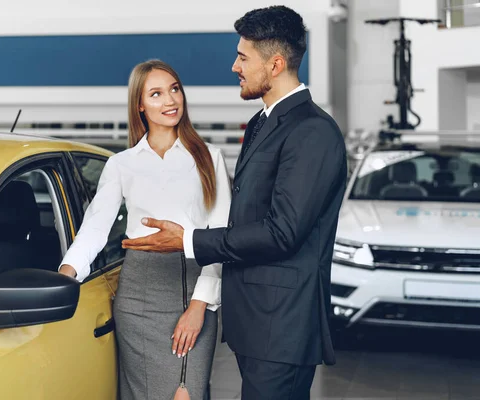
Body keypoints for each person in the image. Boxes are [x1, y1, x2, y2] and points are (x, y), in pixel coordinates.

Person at [122, 6, 348, 400]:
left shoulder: (311, 131)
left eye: (243, 57)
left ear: (275, 64)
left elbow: (283, 232)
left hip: (282, 327)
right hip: (258, 324)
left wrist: (189, 240)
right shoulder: (264, 122)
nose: (234, 66)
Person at [59, 59, 232, 399]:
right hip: (138, 296)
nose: (170, 101)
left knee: (186, 394)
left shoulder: (209, 158)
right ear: (140, 105)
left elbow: (221, 236)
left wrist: (199, 306)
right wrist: (64, 276)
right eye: (156, 94)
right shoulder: (121, 164)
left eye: (174, 89)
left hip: (192, 287)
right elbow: (95, 229)